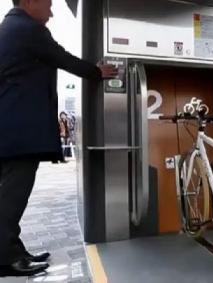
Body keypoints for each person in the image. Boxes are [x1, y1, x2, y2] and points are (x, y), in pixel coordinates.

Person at [0, 0, 117, 277]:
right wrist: (97, 72)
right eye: (48, 5)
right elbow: (62, 57)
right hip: (17, 132)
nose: (51, 13)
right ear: (30, 2)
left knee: (8, 195)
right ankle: (6, 258)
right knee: (11, 197)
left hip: (10, 130)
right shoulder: (26, 28)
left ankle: (13, 251)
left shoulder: (12, 27)